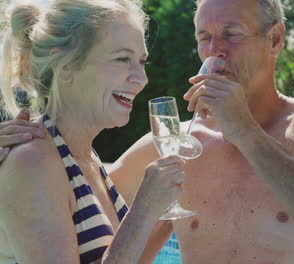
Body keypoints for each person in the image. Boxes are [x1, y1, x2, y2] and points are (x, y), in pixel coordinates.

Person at [2, 0, 294, 263]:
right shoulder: (174, 144)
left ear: (275, 39)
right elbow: (50, 210)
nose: (214, 51)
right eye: (203, 36)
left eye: (231, 34)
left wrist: (244, 130)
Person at [0, 1, 186, 263]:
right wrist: (142, 211)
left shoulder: (84, 158)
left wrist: (164, 214)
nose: (141, 78)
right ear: (66, 67)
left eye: (142, 61)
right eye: (123, 59)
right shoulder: (32, 162)